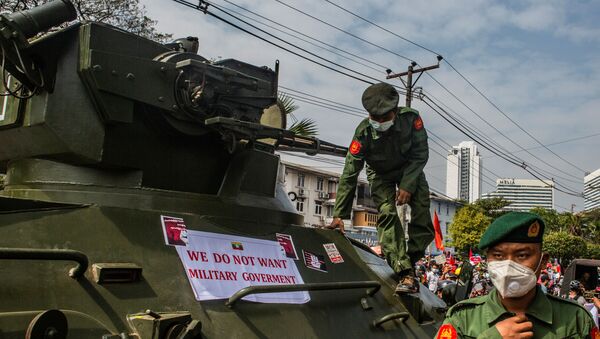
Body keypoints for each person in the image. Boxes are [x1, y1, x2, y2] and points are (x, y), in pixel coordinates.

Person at [327, 82, 434, 294]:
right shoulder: (363, 133)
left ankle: (408, 261)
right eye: (374, 118)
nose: (379, 122)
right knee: (387, 213)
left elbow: (421, 153)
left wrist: (407, 184)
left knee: (422, 213)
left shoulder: (411, 119)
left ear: (395, 112)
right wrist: (339, 215)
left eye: (384, 118)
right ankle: (403, 270)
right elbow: (350, 173)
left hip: (409, 169)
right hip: (380, 174)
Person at [436, 212, 597, 338]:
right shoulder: (463, 319)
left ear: (543, 261)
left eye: (522, 256)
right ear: (488, 261)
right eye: (498, 256)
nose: (508, 267)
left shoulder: (575, 319)